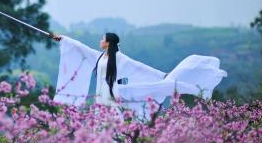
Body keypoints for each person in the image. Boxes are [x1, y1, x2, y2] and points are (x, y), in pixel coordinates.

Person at [49, 32, 227, 119]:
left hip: (112, 97)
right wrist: (64, 40)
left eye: (102, 39)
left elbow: (140, 69)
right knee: (99, 125)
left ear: (108, 42)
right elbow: (82, 49)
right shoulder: (101, 57)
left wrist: (162, 76)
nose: (100, 41)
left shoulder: (120, 59)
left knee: (110, 126)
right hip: (100, 98)